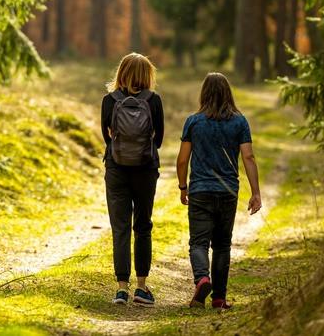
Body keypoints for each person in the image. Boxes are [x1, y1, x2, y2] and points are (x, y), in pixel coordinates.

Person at [176, 72, 262, 310]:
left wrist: (183, 187)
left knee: (199, 243)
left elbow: (182, 160)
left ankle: (202, 279)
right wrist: (255, 192)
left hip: (200, 191)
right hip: (227, 192)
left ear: (204, 93)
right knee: (222, 245)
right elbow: (248, 156)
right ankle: (219, 299)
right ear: (228, 93)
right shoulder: (239, 122)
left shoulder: (193, 121)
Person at [101, 53, 164, 307]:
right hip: (145, 168)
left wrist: (120, 151)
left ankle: (121, 289)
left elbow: (106, 137)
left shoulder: (109, 100)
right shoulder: (154, 100)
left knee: (120, 228)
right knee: (143, 226)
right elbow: (158, 138)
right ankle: (141, 287)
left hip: (116, 168)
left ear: (121, 73)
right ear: (147, 75)